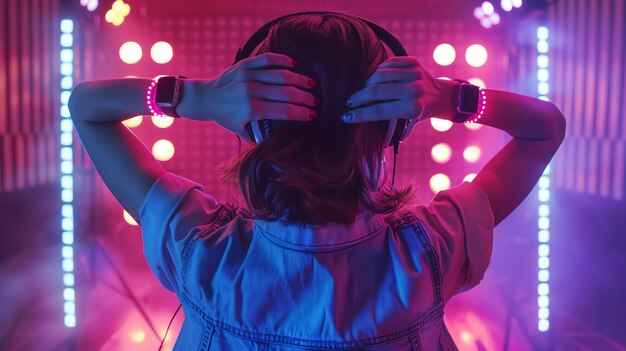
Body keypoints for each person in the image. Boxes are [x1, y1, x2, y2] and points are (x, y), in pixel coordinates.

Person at [68, 12, 565, 351]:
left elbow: (87, 108)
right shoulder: (432, 250)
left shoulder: (200, 248)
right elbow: (545, 127)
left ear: (253, 125)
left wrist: (194, 97)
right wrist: (449, 98)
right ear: (394, 126)